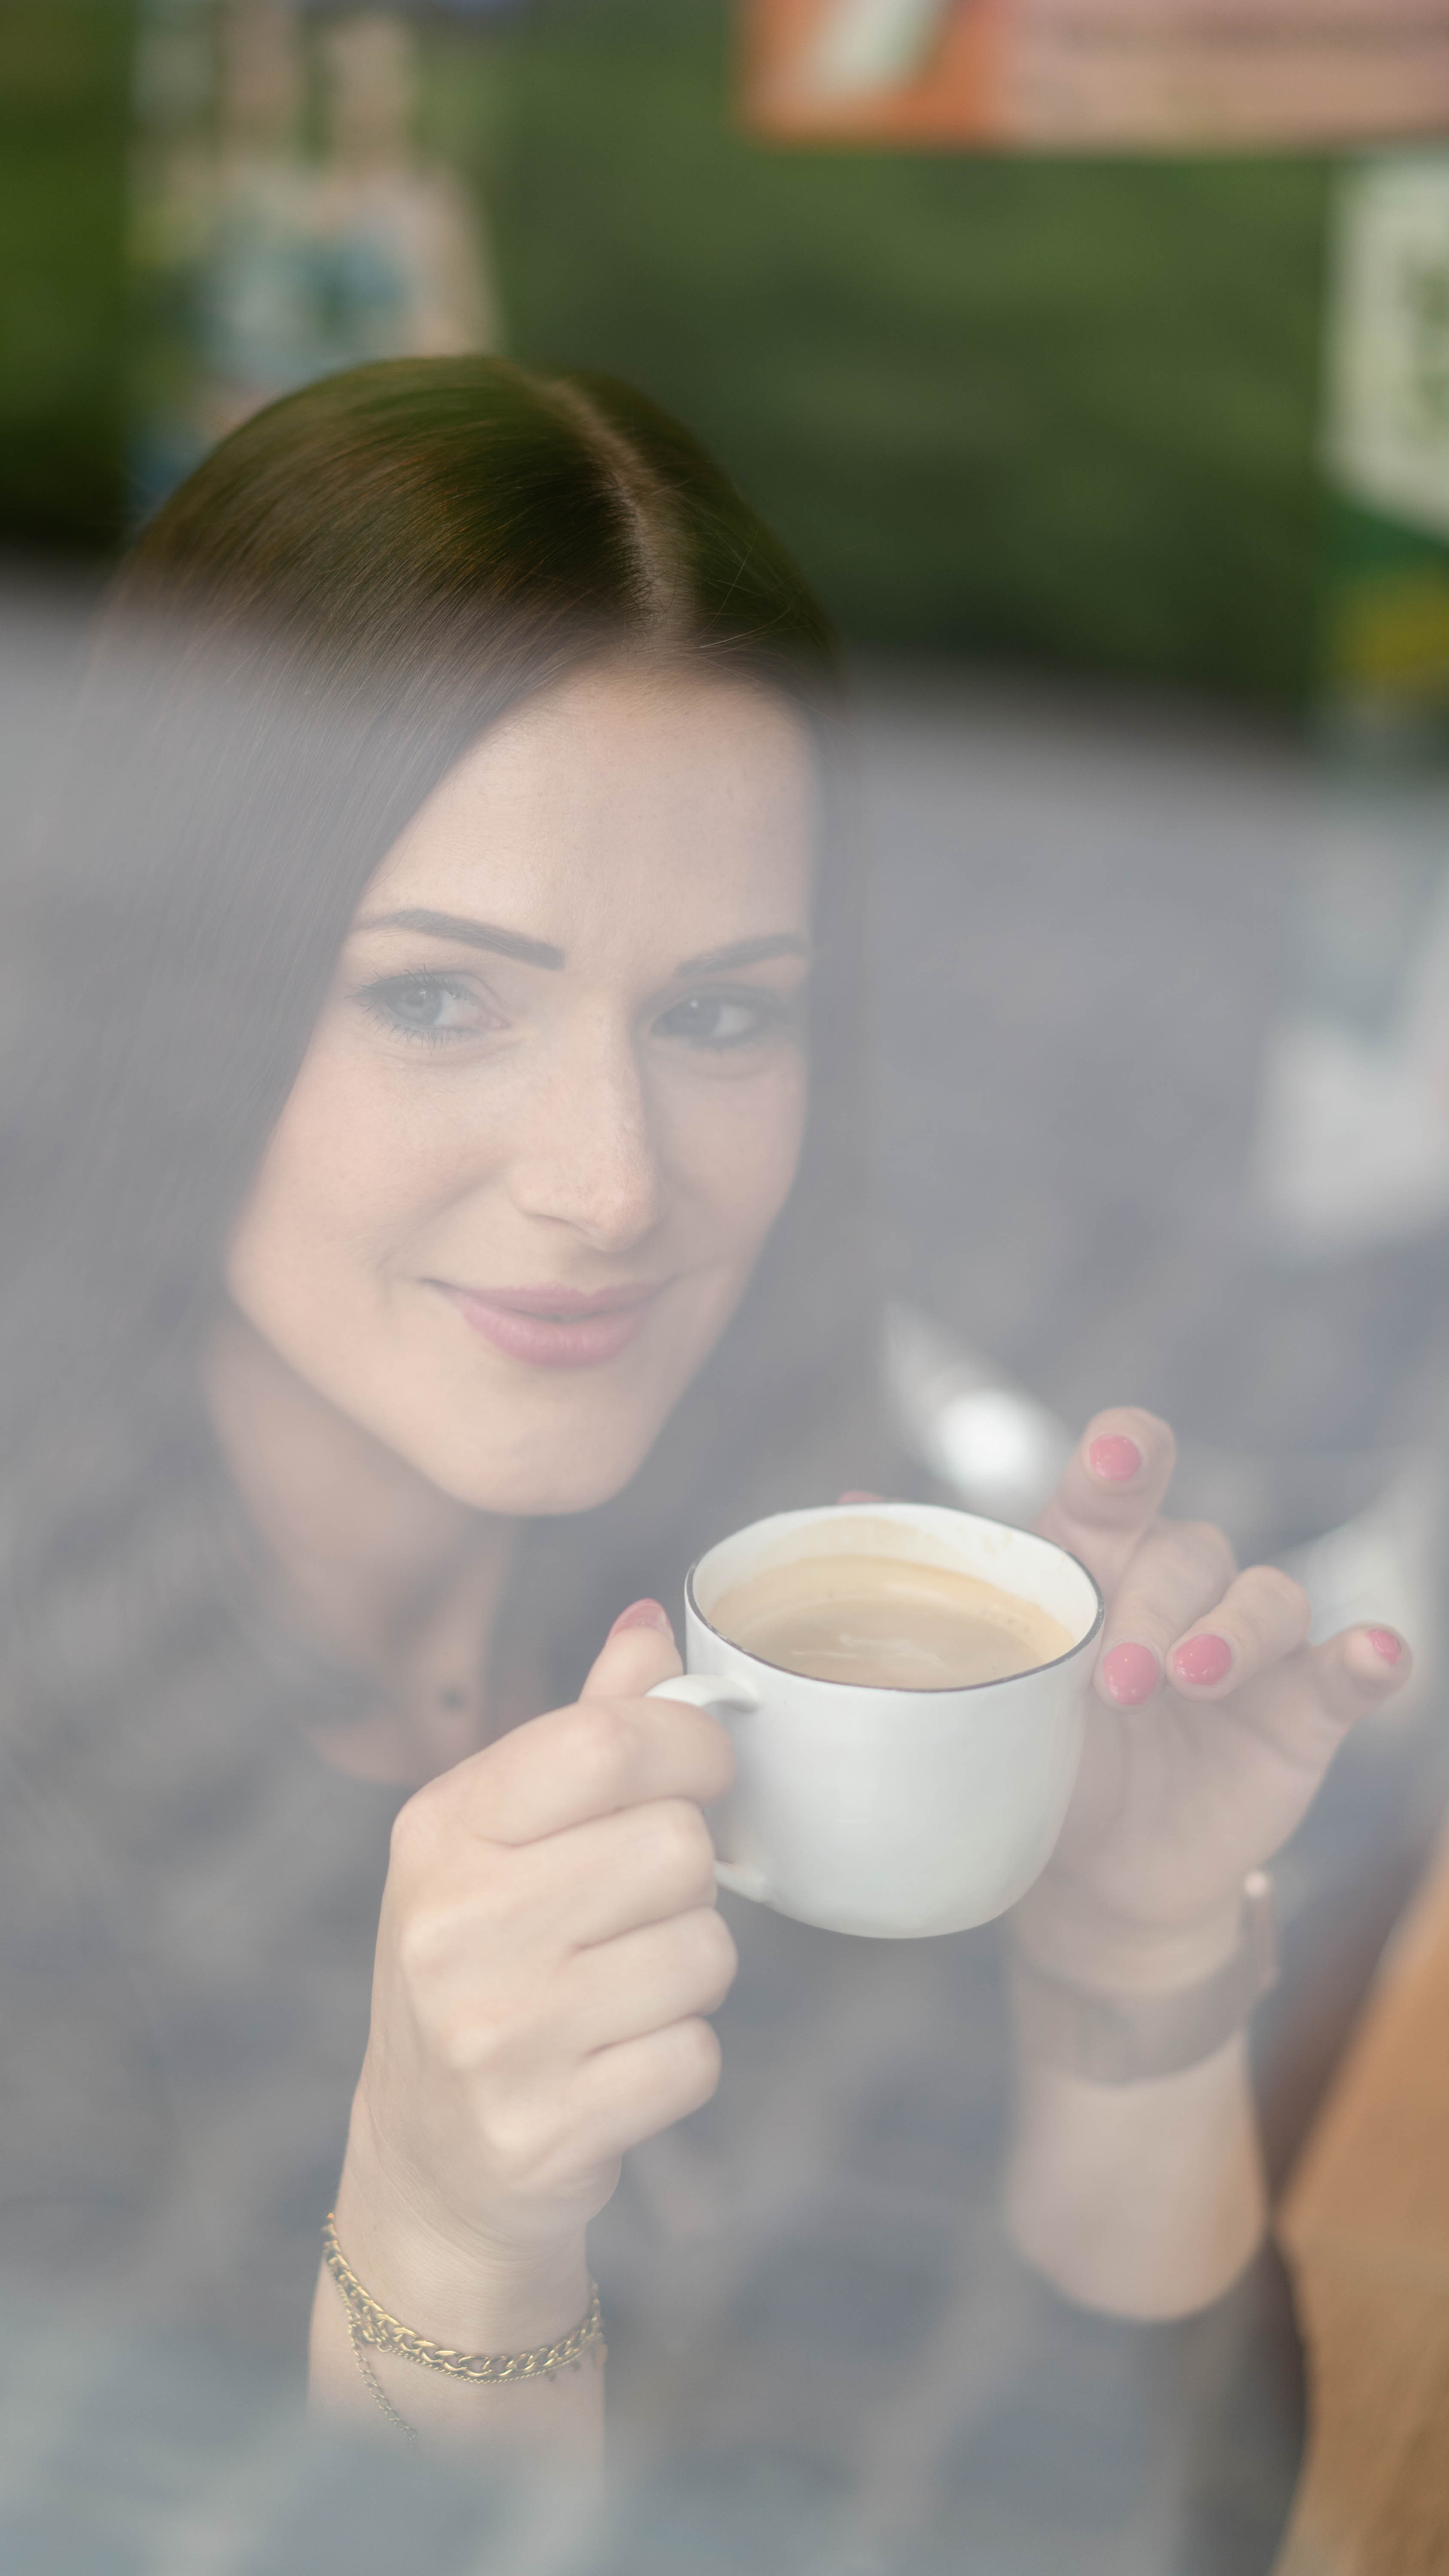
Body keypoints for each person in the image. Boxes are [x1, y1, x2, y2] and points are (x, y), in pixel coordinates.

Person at [0, 357, 1410, 2570]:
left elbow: (1166, 2527)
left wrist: (1125, 1983)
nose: (615, 1183)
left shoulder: (818, 1642)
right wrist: (445, 2250)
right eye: (441, 998)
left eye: (724, 1013)